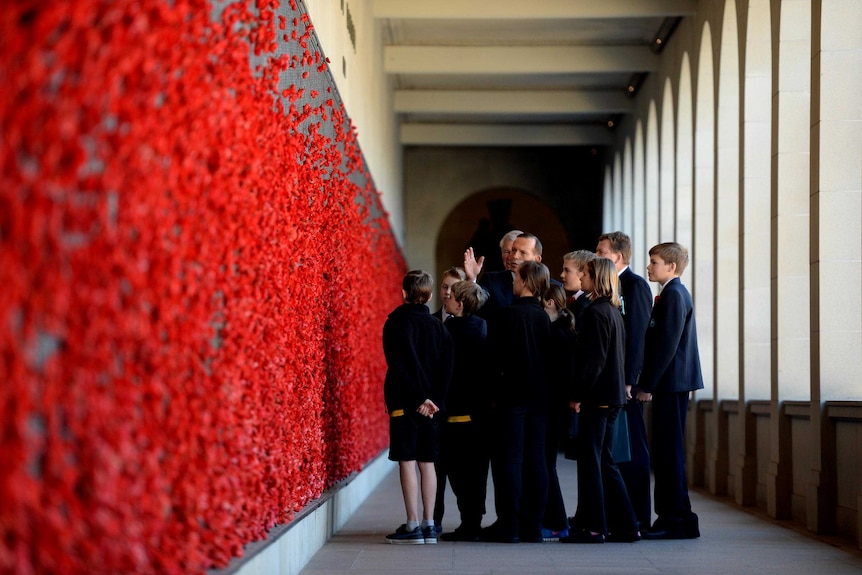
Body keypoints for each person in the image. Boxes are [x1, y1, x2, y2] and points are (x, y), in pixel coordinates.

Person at [562, 257, 639, 544]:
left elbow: (594, 362)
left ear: (596, 278)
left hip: (600, 398)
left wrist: (577, 395)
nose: (581, 277)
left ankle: (595, 528)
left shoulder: (596, 312)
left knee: (593, 463)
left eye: (586, 273)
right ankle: (627, 526)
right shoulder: (612, 311)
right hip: (612, 396)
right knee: (604, 462)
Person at [636, 242, 704, 540]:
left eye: (654, 261)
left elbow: (666, 345)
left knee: (668, 453)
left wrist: (647, 385)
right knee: (666, 451)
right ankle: (675, 517)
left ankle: (675, 519)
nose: (648, 266)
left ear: (671, 267)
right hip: (672, 383)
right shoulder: (672, 293)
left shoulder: (674, 295)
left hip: (671, 384)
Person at [382, 270, 455, 545]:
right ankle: (429, 525)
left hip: (404, 403)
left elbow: (398, 366)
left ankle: (411, 523)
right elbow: (446, 369)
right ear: (430, 294)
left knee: (407, 460)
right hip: (432, 409)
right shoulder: (439, 327)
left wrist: (417, 399)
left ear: (404, 293)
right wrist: (432, 399)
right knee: (428, 463)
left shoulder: (394, 324)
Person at [482, 261, 552, 543]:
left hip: (511, 397)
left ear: (525, 282)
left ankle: (510, 526)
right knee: (537, 461)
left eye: (516, 278)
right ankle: (533, 527)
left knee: (509, 461)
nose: (512, 282)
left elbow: (492, 359)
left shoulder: (508, 315)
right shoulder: (545, 318)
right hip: (540, 398)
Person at [596, 231, 653, 530]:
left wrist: (630, 380)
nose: (596, 256)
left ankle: (639, 516)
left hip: (625, 385)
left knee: (633, 449)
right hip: (611, 383)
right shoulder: (608, 287)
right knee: (614, 451)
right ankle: (617, 513)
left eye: (601, 252)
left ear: (618, 257)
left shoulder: (635, 286)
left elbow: (638, 337)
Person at [437, 281, 490, 542]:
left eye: (451, 295)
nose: (445, 297)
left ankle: (468, 523)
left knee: (457, 471)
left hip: (456, 411)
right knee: (477, 471)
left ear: (460, 304)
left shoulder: (449, 329)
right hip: (479, 411)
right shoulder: (481, 325)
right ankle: (473, 520)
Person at [540, 283, 576, 540]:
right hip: (555, 408)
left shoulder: (557, 334)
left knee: (546, 464)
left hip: (552, 408)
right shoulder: (562, 330)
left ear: (549, 302)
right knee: (546, 463)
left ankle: (556, 521)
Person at [560, 250, 596, 330]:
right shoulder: (578, 301)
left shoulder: (585, 305)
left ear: (583, 273)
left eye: (567, 270)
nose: (562, 275)